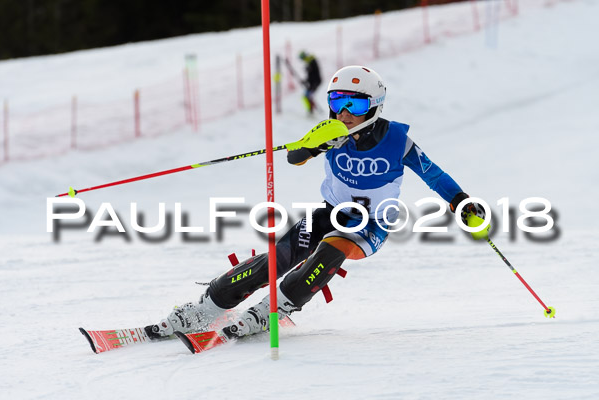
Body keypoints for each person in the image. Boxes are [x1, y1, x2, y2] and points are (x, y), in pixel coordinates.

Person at [145, 65, 482, 340]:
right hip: (329, 213)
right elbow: (294, 156)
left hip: (371, 224)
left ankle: (275, 309)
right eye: (338, 102)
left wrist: (460, 201)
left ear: (376, 105)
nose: (346, 113)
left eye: (357, 104)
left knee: (332, 249)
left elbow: (432, 174)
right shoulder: (329, 130)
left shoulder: (397, 140)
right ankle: (207, 306)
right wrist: (314, 146)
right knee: (278, 257)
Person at [299, 50, 321, 115]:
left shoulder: (312, 62)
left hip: (315, 82)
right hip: (313, 82)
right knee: (307, 96)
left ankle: (311, 110)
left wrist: (307, 81)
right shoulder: (310, 62)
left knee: (307, 96)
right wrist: (306, 81)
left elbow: (313, 75)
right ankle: (311, 109)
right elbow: (311, 75)